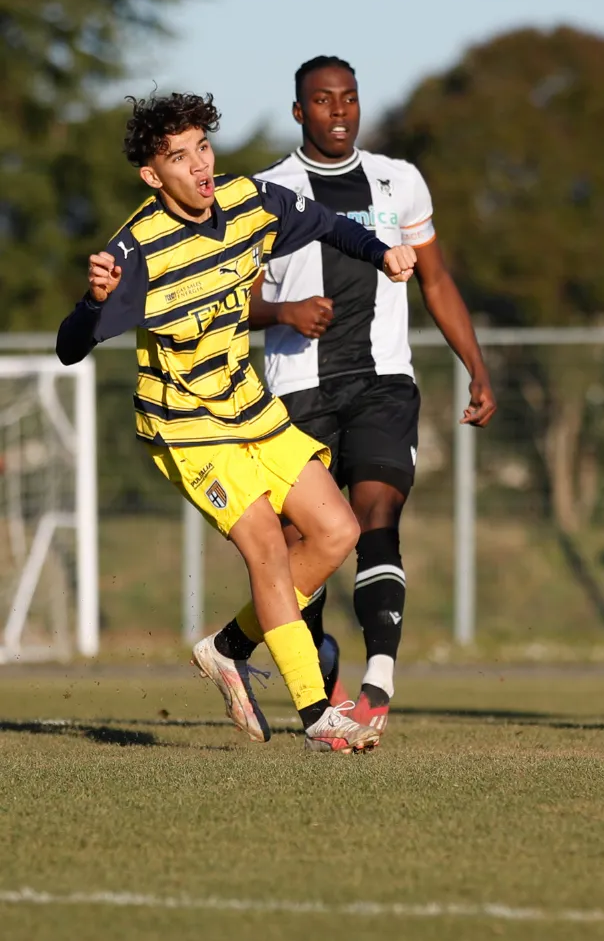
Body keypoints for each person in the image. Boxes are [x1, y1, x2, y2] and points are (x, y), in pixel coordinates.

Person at [55, 92, 417, 753]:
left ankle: (229, 647)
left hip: (250, 408)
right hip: (187, 427)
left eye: (203, 147)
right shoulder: (138, 250)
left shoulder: (249, 200)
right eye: (179, 157)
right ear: (151, 174)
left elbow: (326, 223)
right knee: (267, 548)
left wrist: (380, 252)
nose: (199, 165)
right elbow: (69, 346)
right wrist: (93, 302)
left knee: (337, 532)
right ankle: (317, 715)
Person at [199, 56, 495, 735]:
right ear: (299, 111)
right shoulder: (268, 191)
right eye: (323, 100)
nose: (339, 111)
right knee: (302, 545)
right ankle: (316, 671)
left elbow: (436, 280)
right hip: (296, 391)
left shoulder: (400, 181)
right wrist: (285, 312)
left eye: (349, 98)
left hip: (383, 380)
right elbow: (234, 301)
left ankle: (377, 683)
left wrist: (476, 366)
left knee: (377, 513)